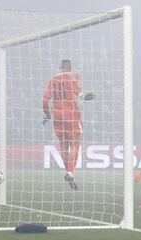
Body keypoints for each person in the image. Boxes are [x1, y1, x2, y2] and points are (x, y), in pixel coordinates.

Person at [41, 59, 94, 190]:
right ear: (70, 68)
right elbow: (80, 94)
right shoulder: (72, 77)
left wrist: (47, 115)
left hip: (57, 117)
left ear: (60, 67)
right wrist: (87, 97)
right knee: (74, 144)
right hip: (71, 116)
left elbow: (44, 100)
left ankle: (69, 172)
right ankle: (70, 172)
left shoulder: (52, 80)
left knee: (64, 145)